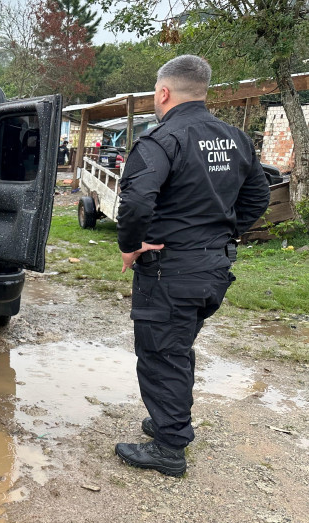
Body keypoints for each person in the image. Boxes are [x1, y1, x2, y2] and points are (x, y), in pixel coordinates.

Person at [114, 55, 270, 477]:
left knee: (162, 354)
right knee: (176, 347)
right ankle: (168, 420)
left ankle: (169, 447)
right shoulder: (236, 138)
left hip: (170, 271)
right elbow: (259, 197)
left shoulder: (162, 140)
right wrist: (221, 234)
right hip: (213, 268)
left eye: (155, 93)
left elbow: (136, 200)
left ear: (163, 92)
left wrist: (130, 246)